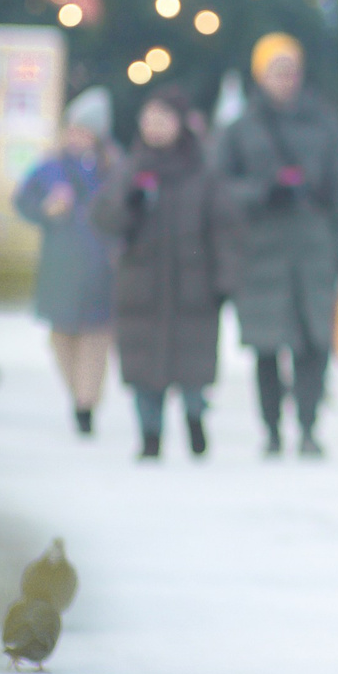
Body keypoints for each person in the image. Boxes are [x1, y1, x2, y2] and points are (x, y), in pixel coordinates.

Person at [214, 33, 338, 457]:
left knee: (314, 344)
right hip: (262, 251)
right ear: (261, 75)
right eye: (277, 70)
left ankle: (308, 428)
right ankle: (271, 430)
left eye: (291, 70)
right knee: (267, 347)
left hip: (313, 248)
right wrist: (261, 192)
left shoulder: (325, 122)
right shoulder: (240, 129)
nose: (285, 79)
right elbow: (219, 188)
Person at [93, 87, 240, 460]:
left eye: (164, 119)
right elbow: (105, 218)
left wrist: (226, 278)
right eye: (150, 118)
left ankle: (195, 421)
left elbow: (224, 226)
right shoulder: (130, 168)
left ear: (180, 124)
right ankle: (150, 435)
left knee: (192, 365)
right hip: (142, 284)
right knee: (143, 368)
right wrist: (131, 204)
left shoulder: (203, 171)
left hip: (194, 283)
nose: (155, 127)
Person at [13, 87, 117, 437]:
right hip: (59, 265)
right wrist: (45, 209)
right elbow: (22, 201)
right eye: (73, 128)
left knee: (96, 337)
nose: (78, 136)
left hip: (103, 265)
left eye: (85, 130)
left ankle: (86, 404)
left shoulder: (114, 168)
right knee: (62, 335)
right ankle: (79, 395)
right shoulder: (49, 167)